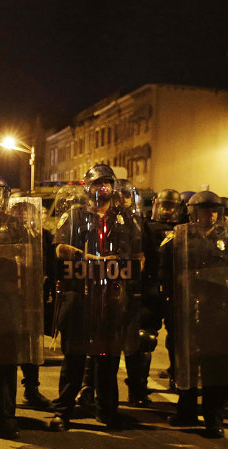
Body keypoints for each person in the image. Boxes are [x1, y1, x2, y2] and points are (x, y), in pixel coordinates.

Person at [50, 164, 142, 431]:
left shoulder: (126, 219)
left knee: (108, 359)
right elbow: (59, 250)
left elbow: (138, 256)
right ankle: (63, 412)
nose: (102, 188)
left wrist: (122, 266)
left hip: (112, 299)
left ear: (114, 187)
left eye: (106, 183)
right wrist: (86, 258)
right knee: (74, 358)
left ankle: (107, 411)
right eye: (96, 184)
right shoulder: (75, 215)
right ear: (87, 188)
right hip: (81, 296)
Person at [164, 191, 228, 438]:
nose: (209, 214)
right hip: (186, 308)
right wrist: (170, 306)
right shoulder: (178, 239)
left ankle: (214, 418)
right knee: (186, 364)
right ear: (192, 212)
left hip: (216, 311)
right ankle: (186, 411)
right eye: (203, 209)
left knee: (216, 367)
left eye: (213, 210)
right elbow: (165, 274)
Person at [135, 188, 181, 396]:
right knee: (145, 338)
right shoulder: (146, 226)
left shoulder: (185, 228)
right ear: (156, 204)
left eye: (172, 206)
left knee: (178, 339)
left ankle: (178, 380)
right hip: (151, 288)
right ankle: (139, 387)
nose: (168, 210)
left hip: (176, 290)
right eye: (165, 205)